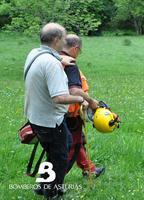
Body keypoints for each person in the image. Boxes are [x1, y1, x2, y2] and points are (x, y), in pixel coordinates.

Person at [24, 23, 88, 199]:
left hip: (35, 116)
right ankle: (52, 192)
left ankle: (42, 185)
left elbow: (47, 59)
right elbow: (59, 98)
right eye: (64, 37)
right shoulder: (51, 64)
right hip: (50, 120)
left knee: (58, 150)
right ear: (57, 39)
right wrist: (81, 99)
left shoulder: (35, 53)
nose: (65, 40)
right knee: (60, 158)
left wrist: (61, 59)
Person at [61, 34, 105, 178]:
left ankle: (89, 169)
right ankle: (47, 182)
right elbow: (74, 90)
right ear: (76, 48)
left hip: (56, 112)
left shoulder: (55, 59)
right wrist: (90, 101)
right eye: (79, 51)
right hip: (69, 113)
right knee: (70, 148)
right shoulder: (70, 64)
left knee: (77, 142)